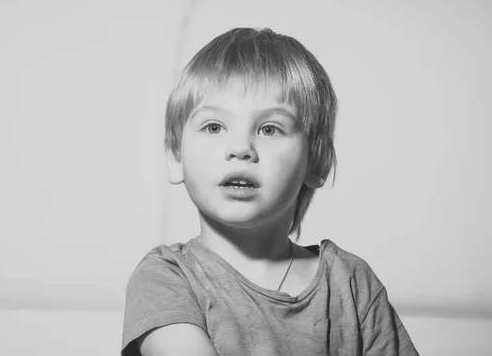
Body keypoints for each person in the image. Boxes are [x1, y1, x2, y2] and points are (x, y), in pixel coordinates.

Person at [121, 27, 419, 355]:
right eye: (214, 126)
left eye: (269, 129)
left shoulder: (351, 283)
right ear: (175, 156)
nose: (240, 148)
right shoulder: (166, 278)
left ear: (316, 162)